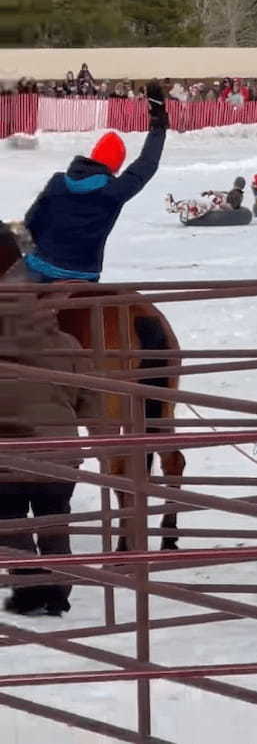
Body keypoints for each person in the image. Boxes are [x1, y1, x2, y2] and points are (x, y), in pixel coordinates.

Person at [8, 82, 169, 284]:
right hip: (84, 276)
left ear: (92, 156)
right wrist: (158, 124)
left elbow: (32, 221)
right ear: (115, 168)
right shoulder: (115, 191)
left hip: (40, 270)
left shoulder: (58, 183)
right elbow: (147, 163)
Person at [0, 294, 100, 616]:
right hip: (60, 454)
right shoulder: (67, 343)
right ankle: (58, 590)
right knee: (55, 519)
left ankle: (32, 583)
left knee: (9, 519)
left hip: (9, 456)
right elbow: (89, 397)